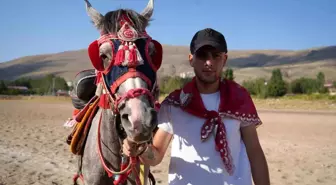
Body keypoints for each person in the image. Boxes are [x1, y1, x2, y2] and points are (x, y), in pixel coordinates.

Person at [123, 28, 270, 185]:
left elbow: (254, 153)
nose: (209, 62)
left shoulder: (239, 99)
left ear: (224, 59)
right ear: (191, 59)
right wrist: (140, 149)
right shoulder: (175, 103)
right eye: (202, 56)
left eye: (216, 56)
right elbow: (156, 155)